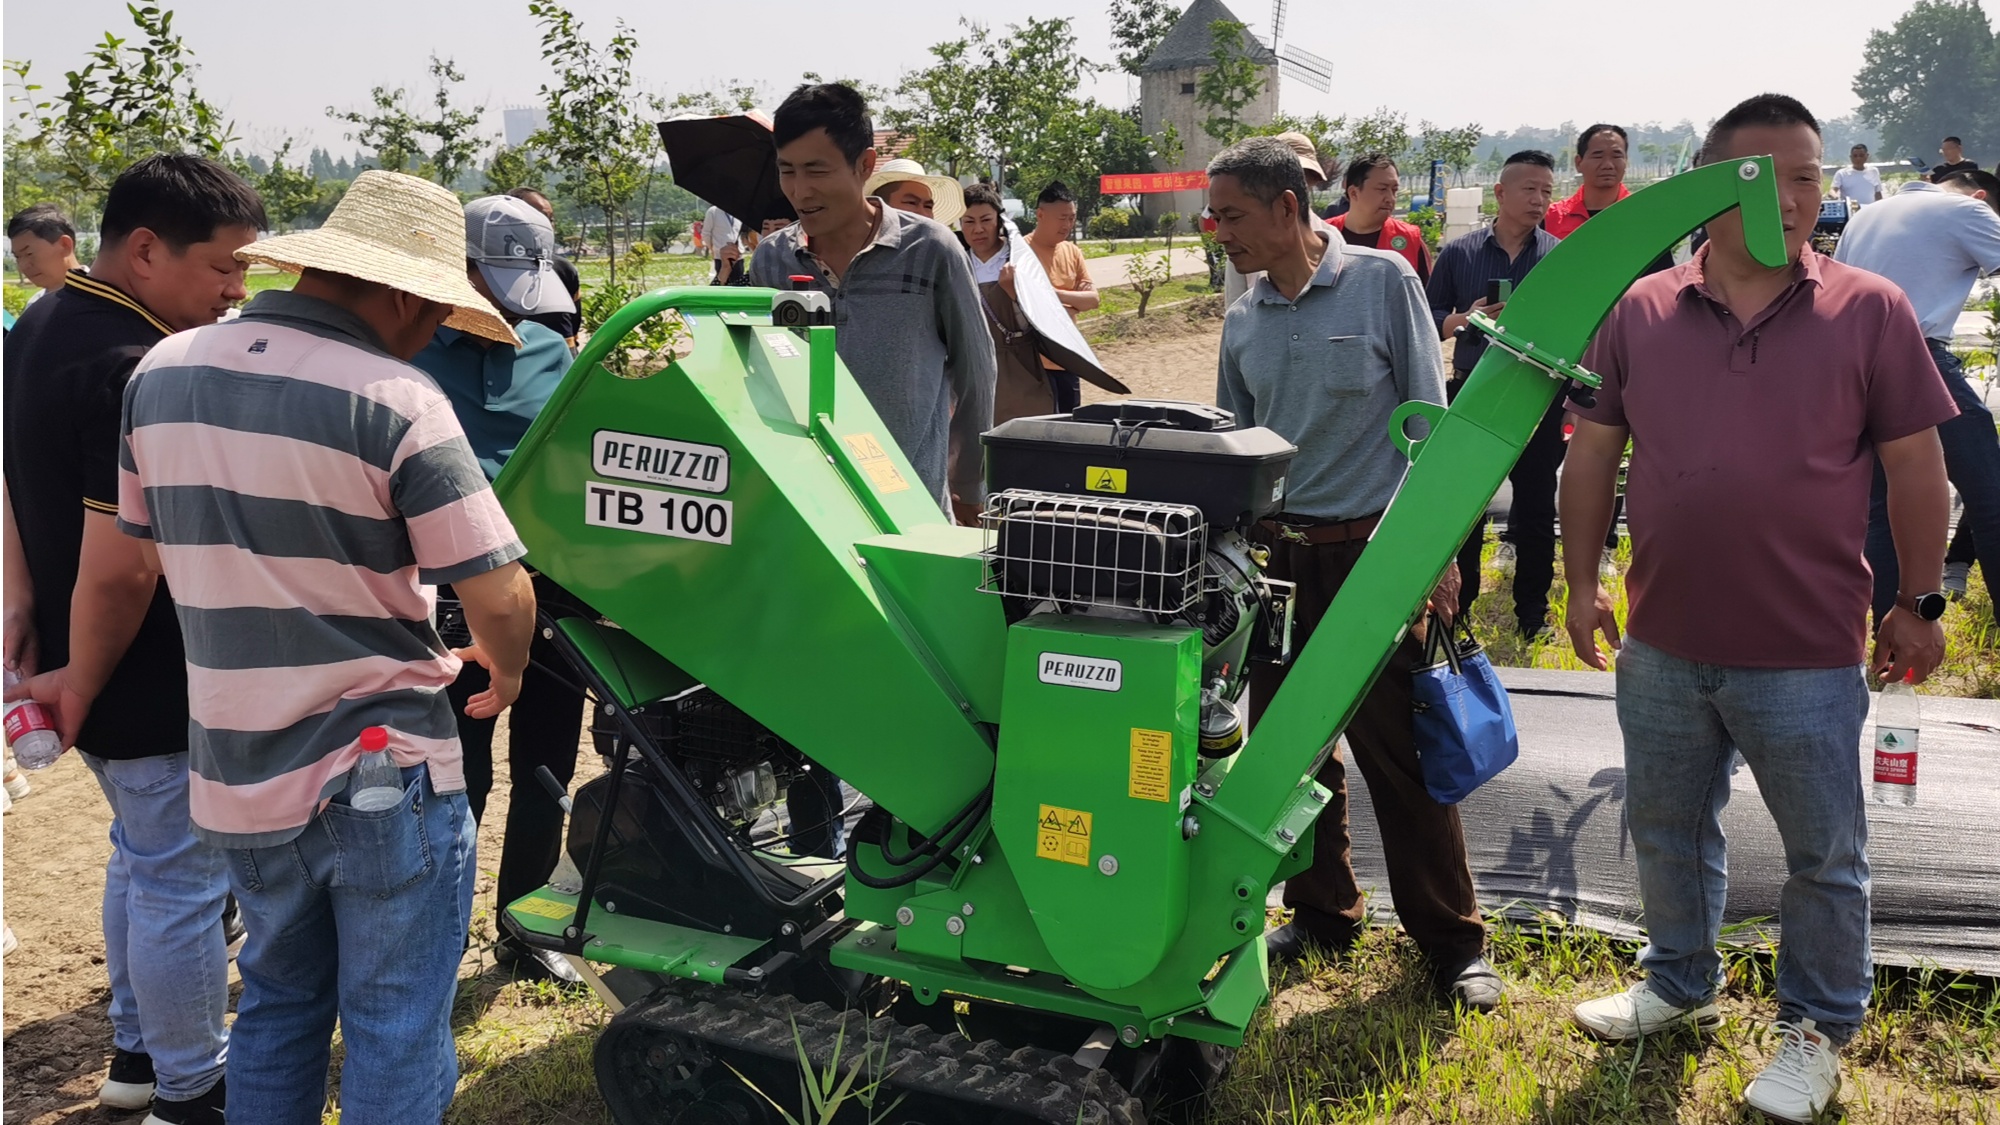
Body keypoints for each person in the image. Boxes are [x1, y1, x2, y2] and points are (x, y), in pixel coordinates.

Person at [12, 170, 541, 1124]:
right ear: (400, 294)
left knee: (277, 1003)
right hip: (379, 765)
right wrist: (505, 670)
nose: (435, 338)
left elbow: (139, 550)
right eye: (437, 316)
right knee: (392, 1019)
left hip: (236, 766)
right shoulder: (395, 396)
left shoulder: (160, 376)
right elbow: (497, 585)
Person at [1560, 94, 1955, 1124]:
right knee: (1665, 823)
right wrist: (1578, 579)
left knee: (1824, 851)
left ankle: (1815, 1027)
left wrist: (1919, 599)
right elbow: (1592, 455)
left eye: (1809, 174)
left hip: (1804, 648)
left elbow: (1916, 467)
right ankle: (1677, 981)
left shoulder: (1866, 308)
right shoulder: (1639, 308)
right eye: (1770, 175)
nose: (1797, 196)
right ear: (1708, 188)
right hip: (1662, 642)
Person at [1208, 136, 1499, 1013]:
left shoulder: (1383, 283)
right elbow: (1235, 447)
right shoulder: (1242, 317)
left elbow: (1433, 426)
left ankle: (1454, 942)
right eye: (1214, 217)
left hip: (1375, 554)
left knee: (1401, 755)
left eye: (1233, 216)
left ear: (1288, 207)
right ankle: (1324, 910)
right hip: (1280, 562)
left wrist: (1436, 553)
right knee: (1292, 754)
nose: (1221, 233)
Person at [2, 154, 265, 1125]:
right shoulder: (135, 367)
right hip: (137, 666)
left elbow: (11, 489)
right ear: (147, 249)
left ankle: (137, 1053)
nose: (239, 292)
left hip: (80, 655)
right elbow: (126, 566)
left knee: (141, 858)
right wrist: (80, 674)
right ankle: (192, 1092)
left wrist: (21, 609)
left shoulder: (37, 323)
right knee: (185, 881)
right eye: (226, 269)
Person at [412, 195, 589, 984]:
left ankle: (524, 925)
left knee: (549, 765)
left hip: (549, 592)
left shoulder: (553, 351)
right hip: (445, 603)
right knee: (458, 777)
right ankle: (438, 942)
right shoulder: (407, 358)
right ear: (462, 272)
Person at [749, 82, 995, 525]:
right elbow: (762, 377)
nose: (800, 191)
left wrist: (968, 484)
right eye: (787, 171)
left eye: (816, 171)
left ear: (864, 165)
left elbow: (976, 373)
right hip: (808, 509)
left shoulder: (930, 250)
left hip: (910, 508)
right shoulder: (772, 258)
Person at [1836, 168, 2000, 622]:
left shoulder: (1866, 215)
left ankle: (1891, 637)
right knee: (1990, 493)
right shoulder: (1969, 209)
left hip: (1855, 366)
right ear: (1983, 197)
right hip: (1919, 358)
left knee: (1882, 509)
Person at [1426, 150, 1561, 630]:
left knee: (1537, 508)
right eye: (1530, 189)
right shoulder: (1459, 253)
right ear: (1500, 193)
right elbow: (1428, 321)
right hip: (1474, 395)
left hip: (1537, 396)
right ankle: (1458, 611)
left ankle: (1533, 613)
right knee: (1467, 509)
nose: (1540, 199)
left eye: (1547, 190)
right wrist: (1468, 320)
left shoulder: (1559, 257)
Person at [958, 183, 1055, 423]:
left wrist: (1015, 293)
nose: (978, 229)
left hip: (1020, 365)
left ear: (999, 220)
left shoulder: (1019, 259)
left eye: (986, 220)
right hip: (973, 368)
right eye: (969, 221)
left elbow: (1045, 320)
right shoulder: (956, 262)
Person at [1545, 124, 1676, 276]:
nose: (1608, 165)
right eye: (1598, 156)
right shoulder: (1552, 217)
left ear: (1626, 161)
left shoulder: (1645, 220)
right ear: (1578, 163)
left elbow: (1662, 281)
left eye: (1616, 156)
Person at [1022, 180, 1098, 413]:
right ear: (1040, 214)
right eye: (1062, 217)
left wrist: (1053, 294)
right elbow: (1027, 304)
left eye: (1071, 217)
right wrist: (1073, 301)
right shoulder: (1021, 251)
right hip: (1033, 363)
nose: (1068, 224)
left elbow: (1094, 300)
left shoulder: (1072, 251)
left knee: (1069, 425)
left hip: (1068, 357)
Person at [1329, 154, 1431, 281]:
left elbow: (1427, 297)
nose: (1390, 199)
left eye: (1394, 190)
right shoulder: (1323, 236)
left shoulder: (1410, 239)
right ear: (1354, 193)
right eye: (1382, 189)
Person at [506, 187, 582, 346]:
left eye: (551, 218)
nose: (547, 224)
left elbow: (574, 321)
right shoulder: (488, 270)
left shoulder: (564, 269)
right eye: (539, 216)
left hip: (563, 357)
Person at [864, 157, 965, 228]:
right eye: (911, 202)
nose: (923, 214)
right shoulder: (856, 252)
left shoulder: (940, 255)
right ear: (879, 207)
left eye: (928, 206)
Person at [8, 204, 81, 298]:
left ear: (65, 245)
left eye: (29, 253)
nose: (23, 266)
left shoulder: (100, 298)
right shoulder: (34, 304)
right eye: (17, 257)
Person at [703, 203, 745, 286]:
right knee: (722, 281)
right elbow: (706, 234)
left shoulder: (739, 211)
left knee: (738, 282)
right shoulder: (713, 211)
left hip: (738, 255)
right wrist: (713, 249)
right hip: (720, 255)